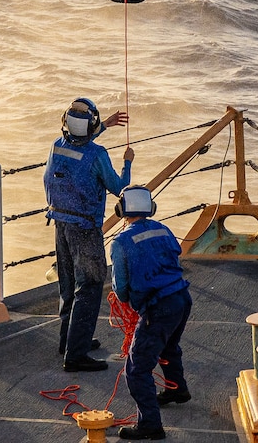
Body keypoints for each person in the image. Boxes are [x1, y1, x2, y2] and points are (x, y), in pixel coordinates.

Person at [44, 97, 134, 371]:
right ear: (91, 124)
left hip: (60, 225)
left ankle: (68, 340)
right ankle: (76, 355)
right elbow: (119, 186)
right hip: (84, 230)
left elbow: (77, 141)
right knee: (90, 287)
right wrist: (127, 163)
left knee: (68, 284)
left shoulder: (57, 147)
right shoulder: (97, 155)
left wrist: (104, 126)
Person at [109, 185, 192, 441]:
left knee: (136, 369)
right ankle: (176, 389)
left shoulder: (121, 241)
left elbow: (120, 286)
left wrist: (128, 302)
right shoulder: (163, 229)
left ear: (121, 210)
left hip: (158, 308)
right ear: (150, 208)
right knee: (168, 347)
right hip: (182, 299)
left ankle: (150, 425)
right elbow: (174, 258)